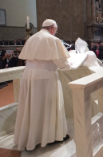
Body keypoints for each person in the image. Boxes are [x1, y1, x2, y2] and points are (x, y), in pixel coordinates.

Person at [14, 19, 71, 151]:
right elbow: (62, 64)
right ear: (52, 28)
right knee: (48, 106)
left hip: (28, 76)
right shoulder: (52, 40)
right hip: (46, 78)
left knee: (31, 107)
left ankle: (30, 137)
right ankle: (50, 137)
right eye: (55, 30)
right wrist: (70, 64)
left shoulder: (32, 38)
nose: (55, 32)